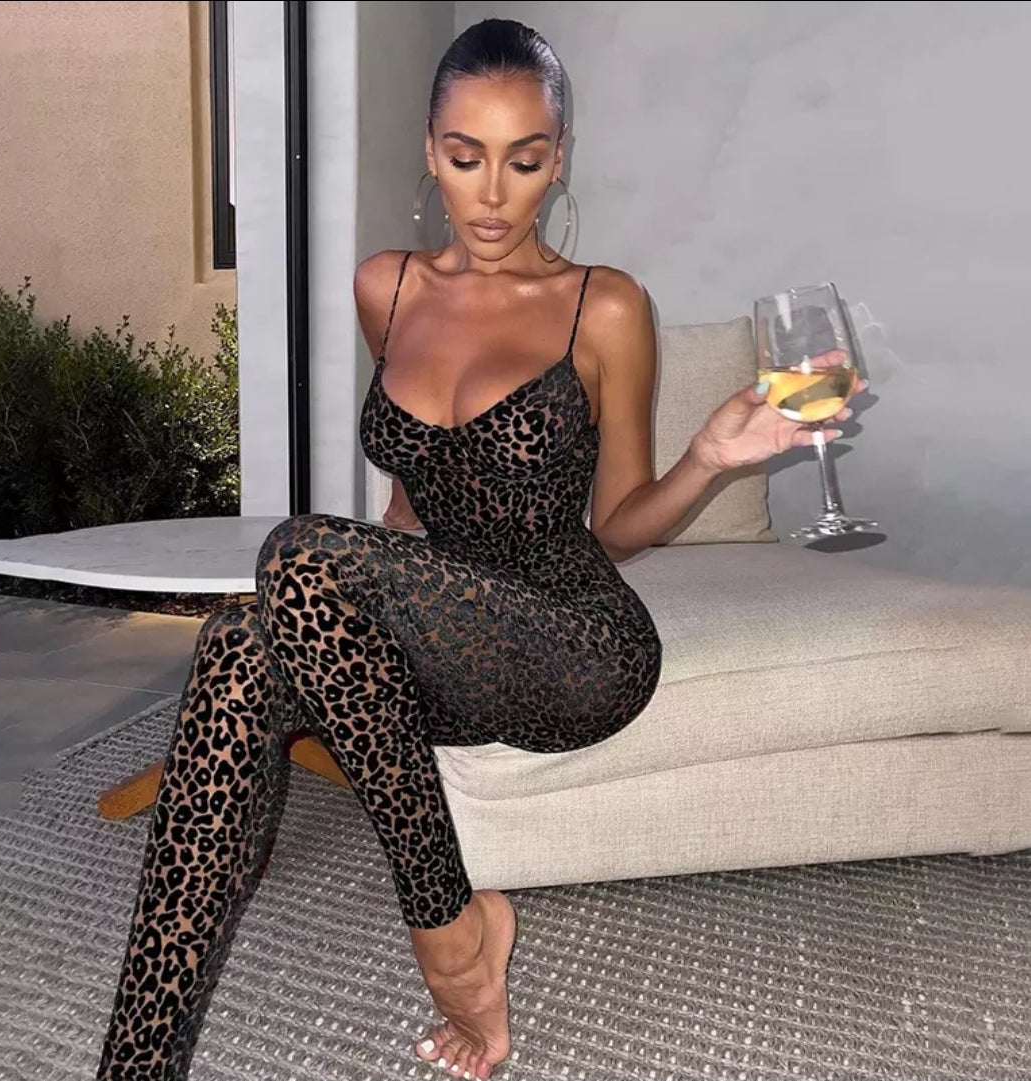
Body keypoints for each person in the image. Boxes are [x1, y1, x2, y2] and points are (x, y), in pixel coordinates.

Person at [96, 17, 864, 1081]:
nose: (495, 195)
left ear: (559, 157)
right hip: (438, 642)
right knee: (236, 647)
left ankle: (450, 929)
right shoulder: (385, 288)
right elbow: (410, 503)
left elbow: (618, 522)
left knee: (298, 552)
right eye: (466, 159)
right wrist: (342, 610)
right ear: (430, 151)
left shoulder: (604, 305)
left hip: (568, 641)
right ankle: (135, 1068)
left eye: (525, 160)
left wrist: (709, 459)